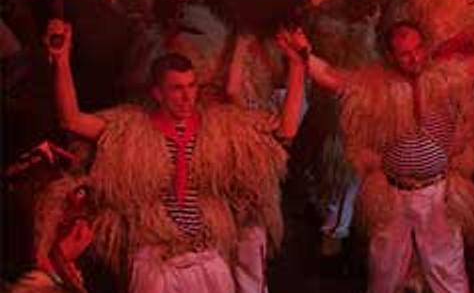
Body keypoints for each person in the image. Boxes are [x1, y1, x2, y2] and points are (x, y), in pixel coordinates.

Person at [48, 19, 302, 293]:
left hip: (206, 254)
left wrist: (298, 67)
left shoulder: (219, 129)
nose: (187, 96)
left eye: (192, 86)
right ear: (158, 93)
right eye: (177, 88)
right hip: (155, 259)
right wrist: (61, 61)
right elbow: (71, 120)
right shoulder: (131, 131)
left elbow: (285, 130)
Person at [297, 20, 474, 293]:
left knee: (447, 270)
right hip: (392, 195)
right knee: (385, 270)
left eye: (419, 48)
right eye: (405, 53)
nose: (415, 57)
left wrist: (466, 32)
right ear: (391, 56)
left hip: (438, 192)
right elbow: (330, 76)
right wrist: (301, 52)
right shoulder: (377, 87)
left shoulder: (446, 78)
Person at [10, 178, 97, 293]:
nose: (90, 236)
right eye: (88, 223)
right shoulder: (40, 285)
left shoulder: (56, 278)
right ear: (78, 227)